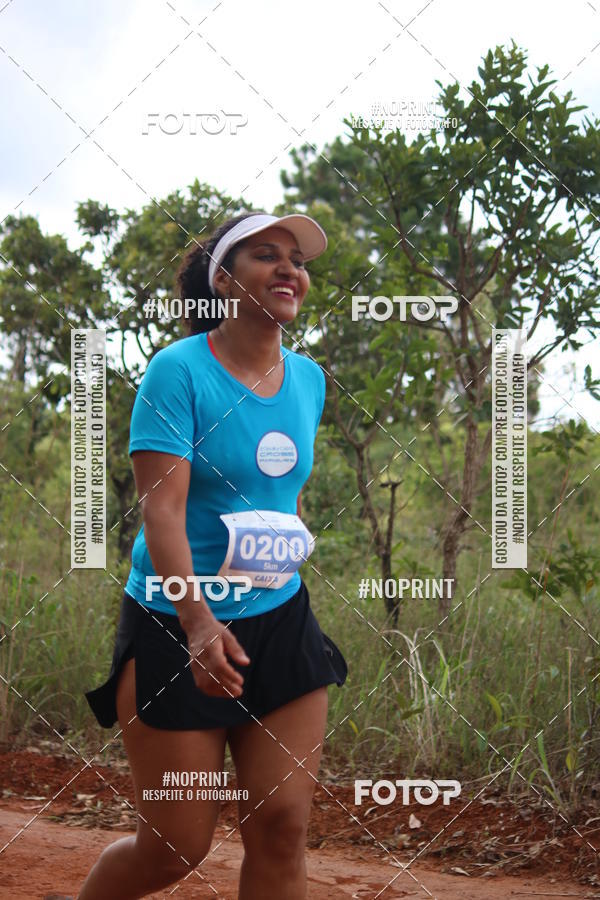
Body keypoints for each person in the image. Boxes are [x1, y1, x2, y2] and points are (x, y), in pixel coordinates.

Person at [75, 211, 347, 900]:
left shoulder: (308, 381)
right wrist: (198, 624)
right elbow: (161, 509)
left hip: (279, 619)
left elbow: (280, 495)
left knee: (282, 825)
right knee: (174, 849)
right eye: (266, 256)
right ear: (224, 280)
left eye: (297, 259)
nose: (290, 269)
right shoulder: (179, 371)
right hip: (178, 622)